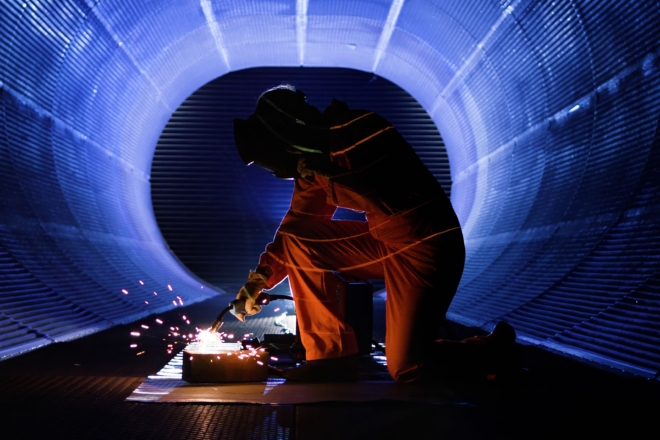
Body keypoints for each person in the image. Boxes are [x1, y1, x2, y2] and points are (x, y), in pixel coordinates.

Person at [230, 85, 517, 382]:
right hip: (385, 243)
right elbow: (297, 224)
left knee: (408, 367)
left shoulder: (362, 129)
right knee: (299, 239)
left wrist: (324, 171)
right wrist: (259, 279)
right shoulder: (314, 160)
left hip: (427, 245)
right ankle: (330, 357)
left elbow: (385, 198)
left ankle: (491, 350)